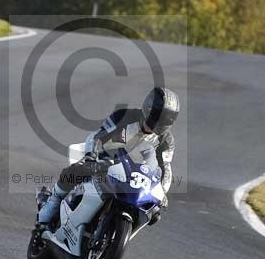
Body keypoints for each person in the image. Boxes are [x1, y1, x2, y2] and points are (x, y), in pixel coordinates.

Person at [37, 87, 179, 226]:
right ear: (148, 109)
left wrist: (163, 192)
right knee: (76, 171)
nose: (160, 122)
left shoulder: (166, 140)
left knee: (153, 214)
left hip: (137, 176)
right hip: (106, 161)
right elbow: (98, 137)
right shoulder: (124, 116)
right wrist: (91, 156)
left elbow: (165, 167)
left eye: (166, 119)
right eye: (158, 116)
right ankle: (51, 203)